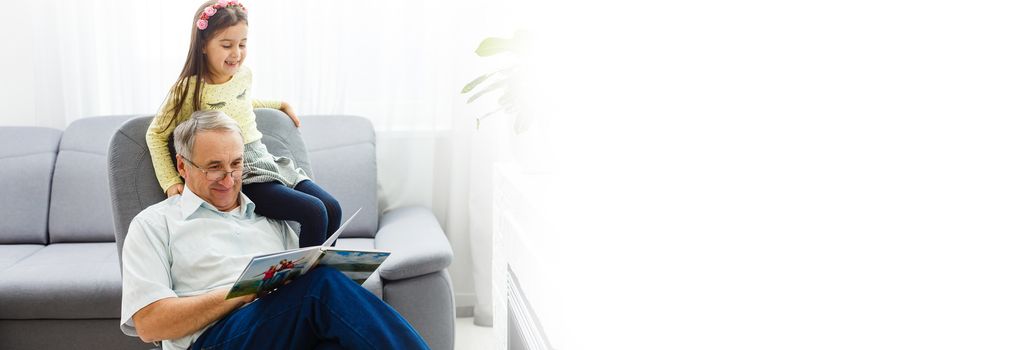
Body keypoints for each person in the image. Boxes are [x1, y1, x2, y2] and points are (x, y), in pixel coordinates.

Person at [120, 111, 430, 350]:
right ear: (183, 166)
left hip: (280, 331)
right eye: (213, 167)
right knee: (321, 286)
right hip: (212, 340)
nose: (228, 180)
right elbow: (150, 324)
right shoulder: (154, 225)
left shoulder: (270, 218)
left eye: (236, 164)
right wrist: (243, 294)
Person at [146, 0, 339, 248]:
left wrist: (278, 103)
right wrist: (171, 182)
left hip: (265, 160)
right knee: (313, 211)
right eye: (227, 45)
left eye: (242, 44)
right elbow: (156, 134)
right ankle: (308, 284)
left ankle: (326, 277)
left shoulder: (243, 75)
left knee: (332, 208)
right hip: (240, 173)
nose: (236, 53)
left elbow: (241, 104)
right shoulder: (189, 89)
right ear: (203, 45)